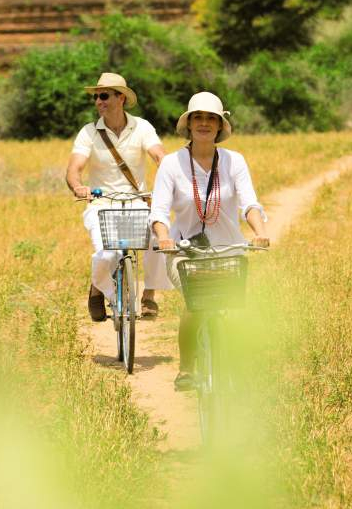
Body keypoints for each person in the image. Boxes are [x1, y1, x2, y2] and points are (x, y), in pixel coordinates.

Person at [150, 91, 269, 391]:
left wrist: (259, 231)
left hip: (227, 249)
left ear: (219, 126)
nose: (204, 123)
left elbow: (249, 204)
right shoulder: (172, 164)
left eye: (211, 119)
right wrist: (164, 238)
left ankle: (232, 363)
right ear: (188, 125)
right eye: (198, 118)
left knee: (233, 309)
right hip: (184, 251)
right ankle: (187, 369)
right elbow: (159, 212)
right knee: (198, 304)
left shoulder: (234, 161)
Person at [66, 72, 170, 322]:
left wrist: (169, 180)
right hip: (102, 205)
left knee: (162, 237)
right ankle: (98, 288)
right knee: (106, 254)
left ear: (121, 98)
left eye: (104, 96)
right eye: (96, 97)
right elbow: (74, 170)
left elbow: (159, 156)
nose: (98, 102)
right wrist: (79, 187)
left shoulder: (142, 127)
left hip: (138, 202)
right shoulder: (88, 132)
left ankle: (149, 296)